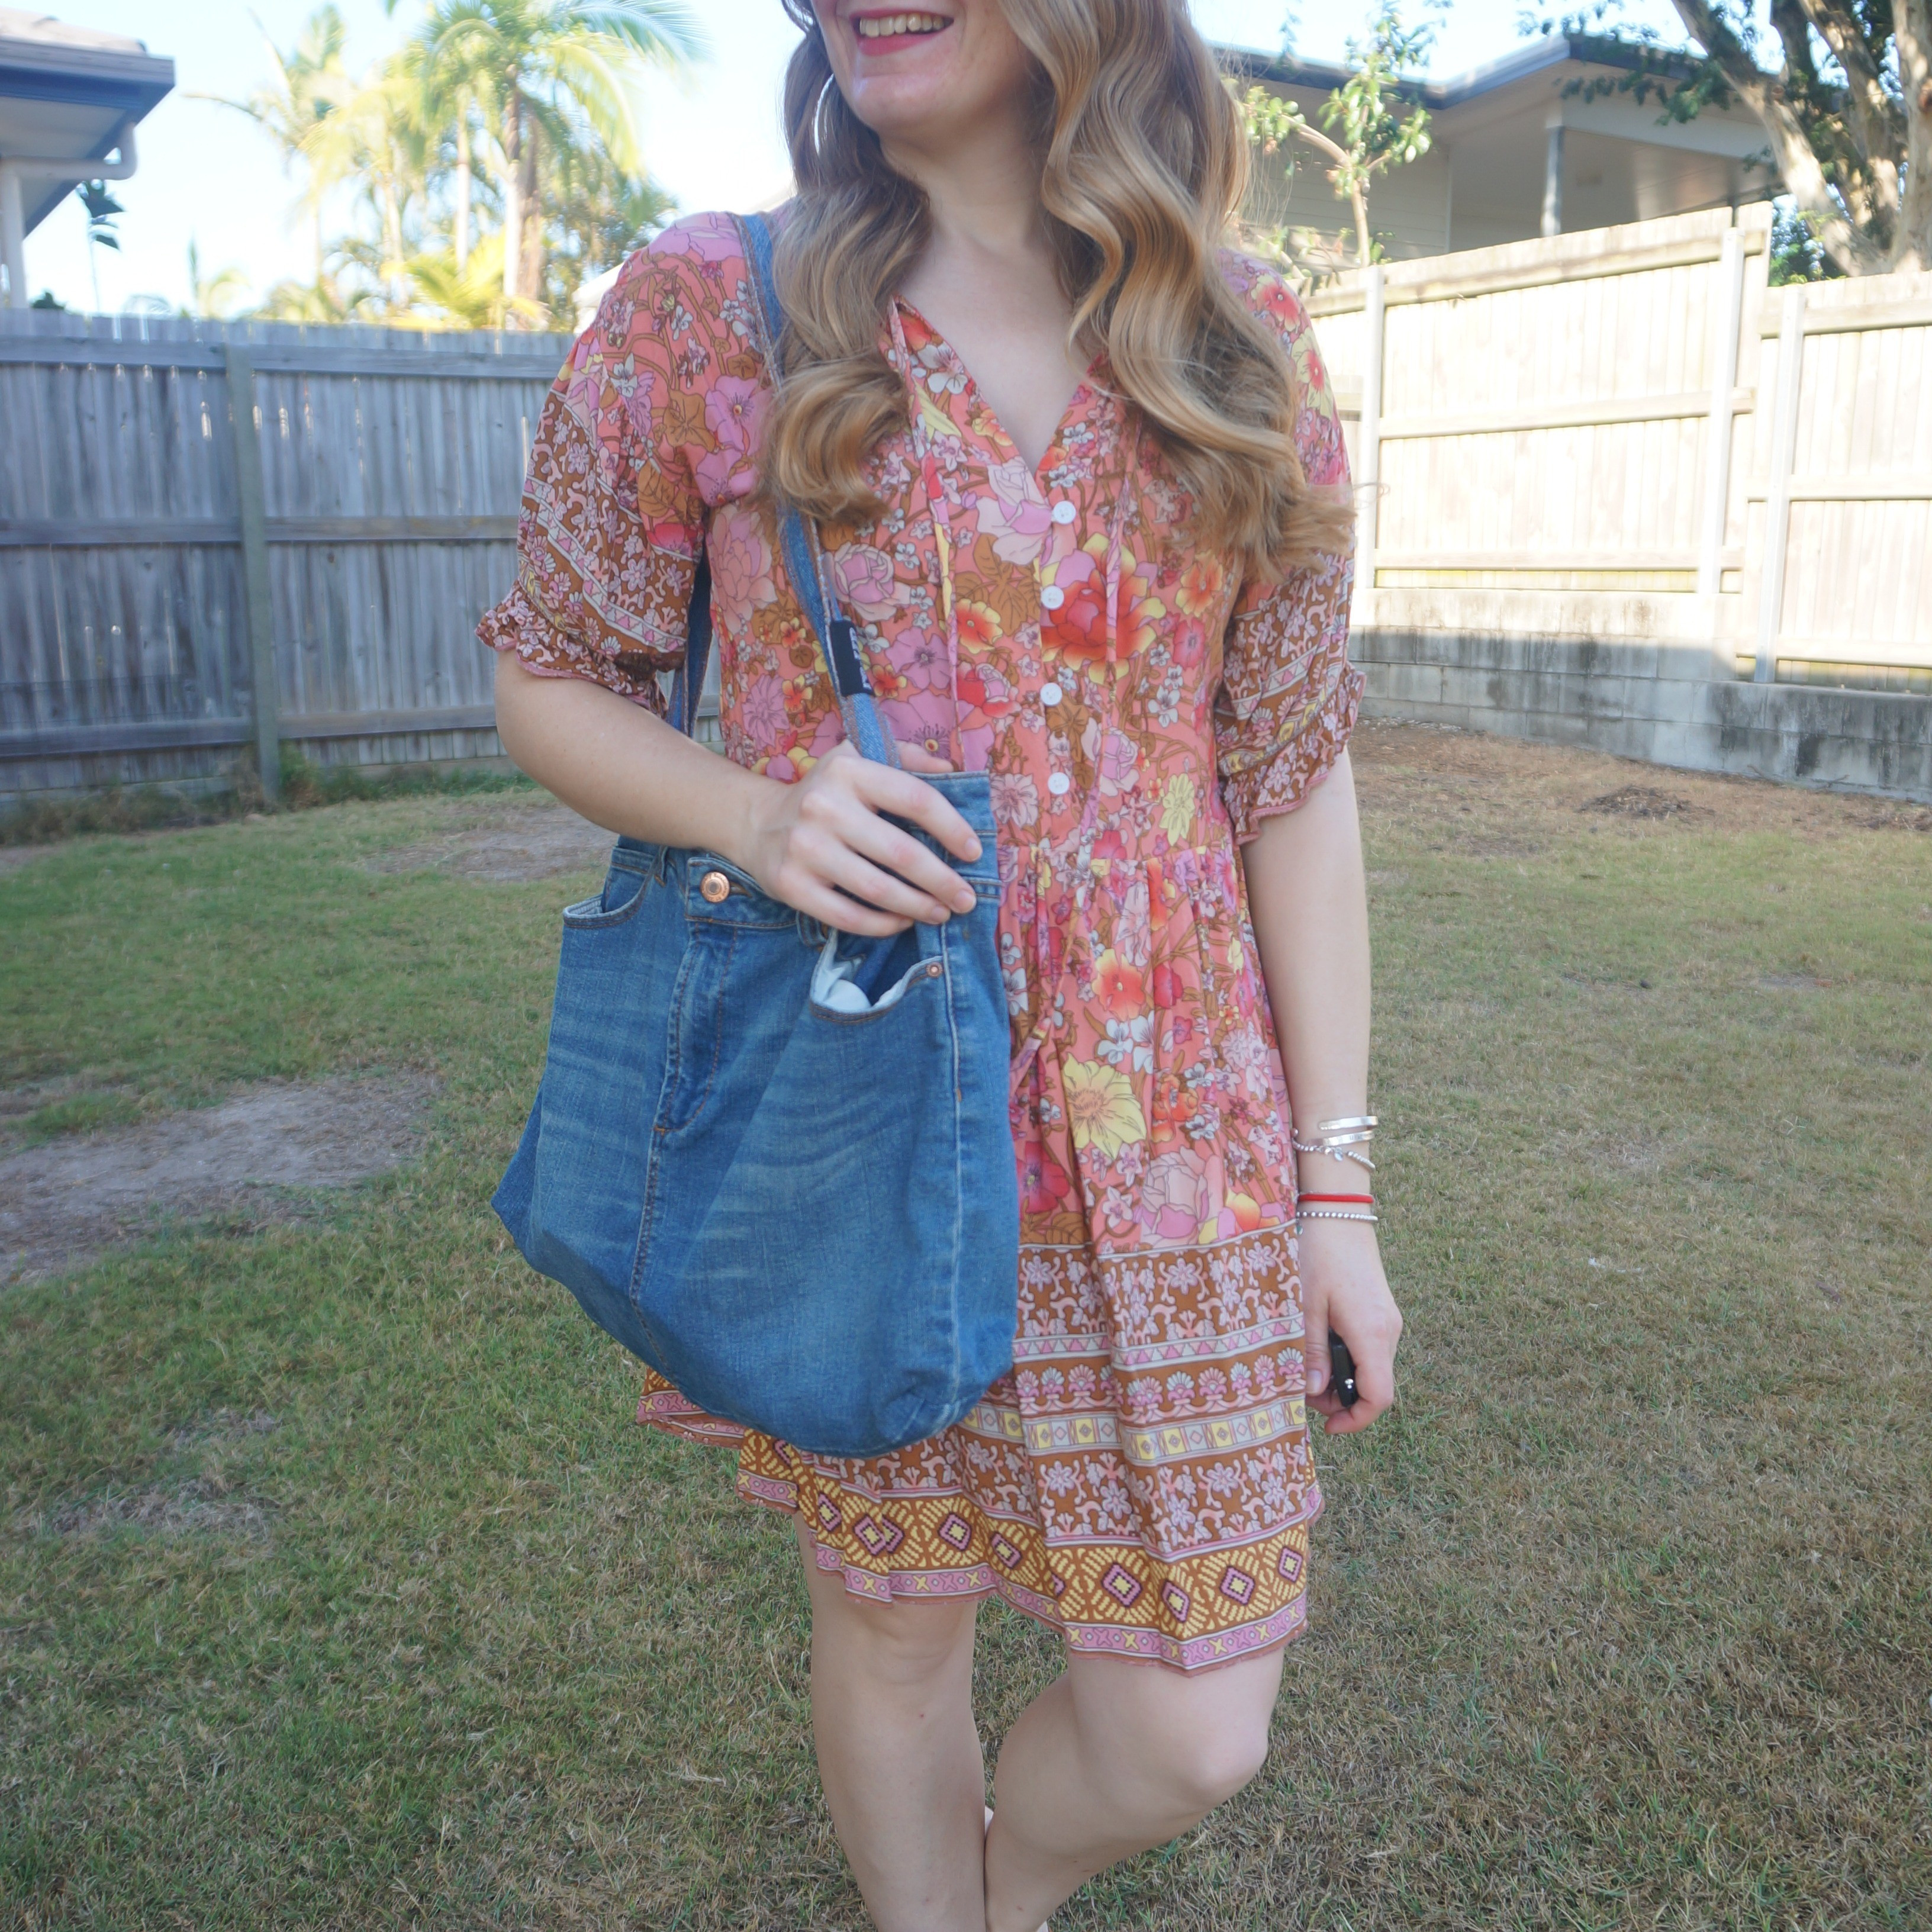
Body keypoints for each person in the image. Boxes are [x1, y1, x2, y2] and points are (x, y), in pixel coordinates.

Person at [482, 3, 1403, 1926]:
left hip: (1183, 1146)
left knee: (1194, 1727)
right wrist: (750, 812)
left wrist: (1340, 1185)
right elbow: (550, 674)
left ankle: (1003, 1888)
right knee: (897, 1626)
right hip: (871, 1098)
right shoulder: (710, 308)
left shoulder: (1245, 337)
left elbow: (1292, 783)